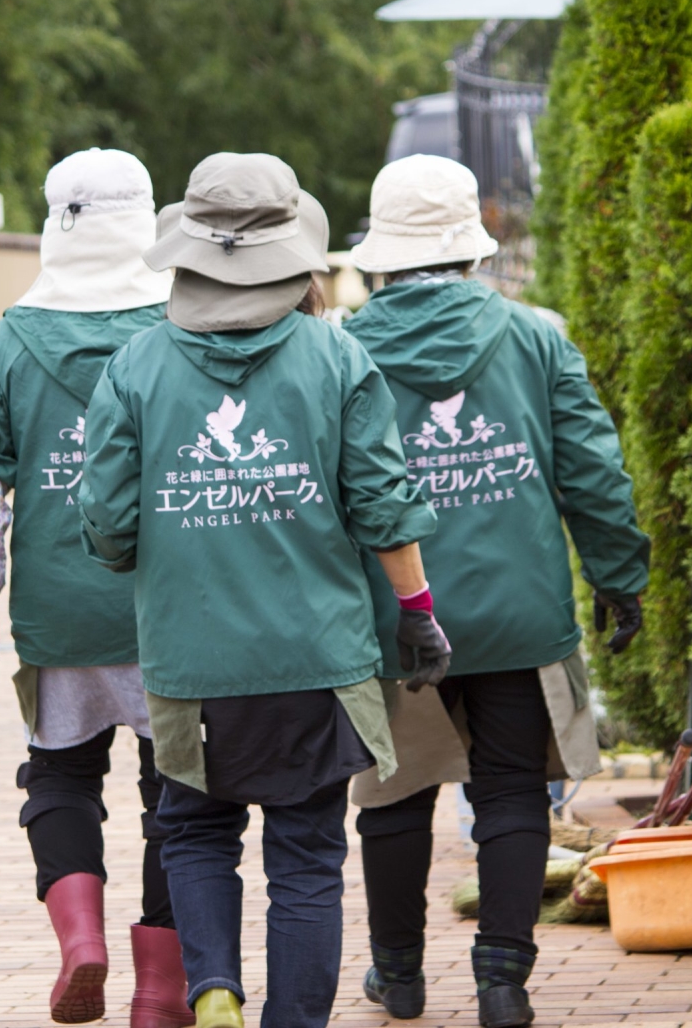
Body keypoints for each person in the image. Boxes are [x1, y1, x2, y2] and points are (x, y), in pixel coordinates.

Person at [77, 152, 448, 1028]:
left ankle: (212, 991)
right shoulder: (337, 358)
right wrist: (418, 614)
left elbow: (108, 528)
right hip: (317, 659)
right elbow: (385, 508)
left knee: (197, 830)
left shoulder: (133, 367)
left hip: (189, 663)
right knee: (307, 854)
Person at [343, 154, 650, 1028]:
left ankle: (398, 977)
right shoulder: (539, 335)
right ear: (472, 249)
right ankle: (502, 982)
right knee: (511, 791)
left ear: (384, 254)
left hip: (391, 616)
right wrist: (618, 575)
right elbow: (594, 472)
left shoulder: (342, 350)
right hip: (521, 609)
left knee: (394, 793)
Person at [0, 148, 192, 1027]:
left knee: (61, 777)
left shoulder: (9, 341)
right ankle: (162, 988)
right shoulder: (183, 327)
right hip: (174, 606)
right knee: (179, 798)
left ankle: (80, 941)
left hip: (59, 606)